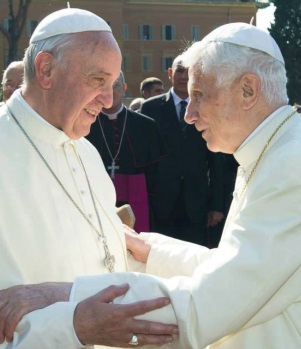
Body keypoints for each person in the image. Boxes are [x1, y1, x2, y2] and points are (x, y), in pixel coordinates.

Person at [3, 21, 301, 349]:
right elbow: (236, 269)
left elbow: (221, 297)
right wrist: (156, 253)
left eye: (199, 95)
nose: (189, 115)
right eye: (97, 80)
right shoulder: (275, 152)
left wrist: (63, 296)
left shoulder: (290, 165)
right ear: (46, 70)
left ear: (248, 90)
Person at [0, 7, 178, 349]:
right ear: (46, 70)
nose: (110, 99)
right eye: (98, 80)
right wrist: (72, 327)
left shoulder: (87, 153)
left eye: (113, 85)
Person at [141, 54, 224, 246]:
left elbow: (216, 161)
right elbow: (145, 159)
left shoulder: (208, 109)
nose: (184, 76)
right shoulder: (150, 108)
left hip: (196, 204)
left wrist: (216, 206)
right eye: (179, 70)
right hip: (160, 203)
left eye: (189, 72)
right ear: (170, 73)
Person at [86, 71, 166, 232]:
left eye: (115, 85)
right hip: (94, 199)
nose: (110, 91)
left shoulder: (146, 126)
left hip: (139, 200)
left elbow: (157, 176)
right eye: (104, 85)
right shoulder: (85, 124)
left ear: (124, 88)